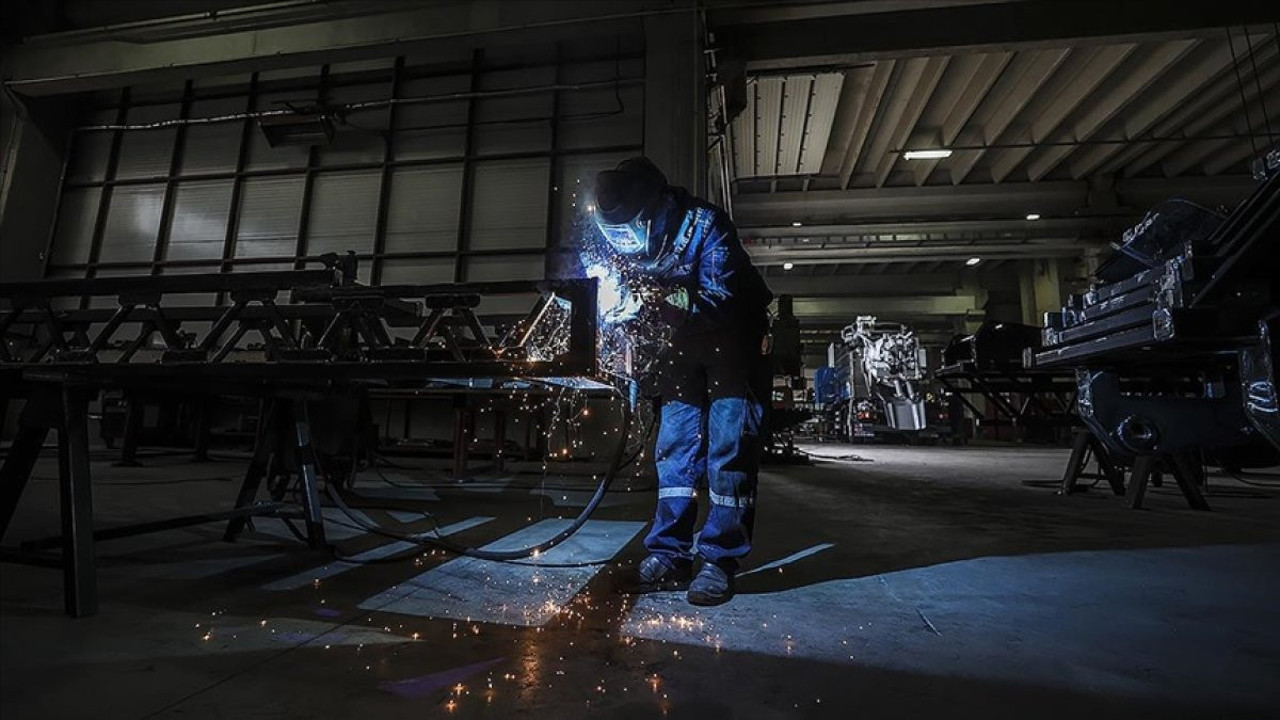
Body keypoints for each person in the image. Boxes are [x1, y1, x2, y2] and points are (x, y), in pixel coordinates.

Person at [590, 156, 772, 606]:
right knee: (674, 449)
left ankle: (719, 558)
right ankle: (670, 553)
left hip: (734, 340)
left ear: (657, 209)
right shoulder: (615, 234)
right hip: (679, 349)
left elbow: (721, 298)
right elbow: (605, 282)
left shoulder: (705, 225)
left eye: (632, 228)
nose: (626, 242)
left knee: (727, 449)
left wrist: (659, 303)